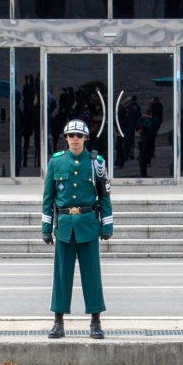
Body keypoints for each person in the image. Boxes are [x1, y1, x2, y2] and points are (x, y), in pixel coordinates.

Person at [41, 119, 113, 339]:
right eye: (71, 135)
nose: (74, 139)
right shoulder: (55, 162)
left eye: (79, 136)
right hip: (64, 226)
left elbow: (104, 195)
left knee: (92, 276)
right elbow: (48, 197)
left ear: (86, 139)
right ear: (65, 138)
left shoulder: (96, 163)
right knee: (61, 276)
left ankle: (95, 322)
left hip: (88, 224)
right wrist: (46, 226)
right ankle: (58, 322)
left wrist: (107, 224)